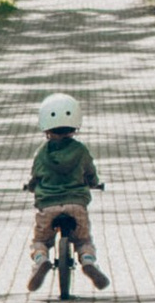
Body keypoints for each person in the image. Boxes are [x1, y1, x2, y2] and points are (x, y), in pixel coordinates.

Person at [25, 91, 110, 290]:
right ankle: (88, 261)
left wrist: (31, 186)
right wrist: (94, 182)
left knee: (40, 240)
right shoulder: (80, 150)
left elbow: (36, 177)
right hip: (76, 204)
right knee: (83, 240)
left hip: (48, 206)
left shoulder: (42, 153)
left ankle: (40, 260)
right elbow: (90, 172)